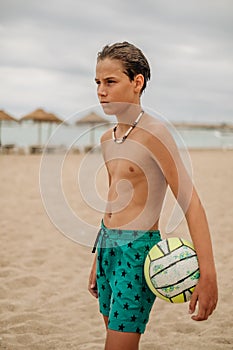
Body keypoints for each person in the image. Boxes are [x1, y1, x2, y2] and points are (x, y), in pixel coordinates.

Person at [88, 41, 218, 350]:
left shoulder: (155, 133)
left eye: (110, 82)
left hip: (137, 251)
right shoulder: (108, 138)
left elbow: (191, 203)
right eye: (97, 83)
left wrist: (209, 274)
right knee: (112, 336)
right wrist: (97, 258)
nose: (100, 91)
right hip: (108, 246)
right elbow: (112, 200)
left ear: (137, 82)